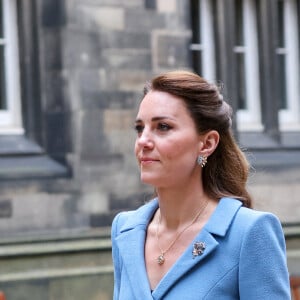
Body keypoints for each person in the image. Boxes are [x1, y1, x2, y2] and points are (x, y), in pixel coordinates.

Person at [111, 70, 291, 299]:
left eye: (163, 127)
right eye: (140, 128)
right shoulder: (126, 230)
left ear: (207, 143)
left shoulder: (248, 232)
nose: (143, 141)